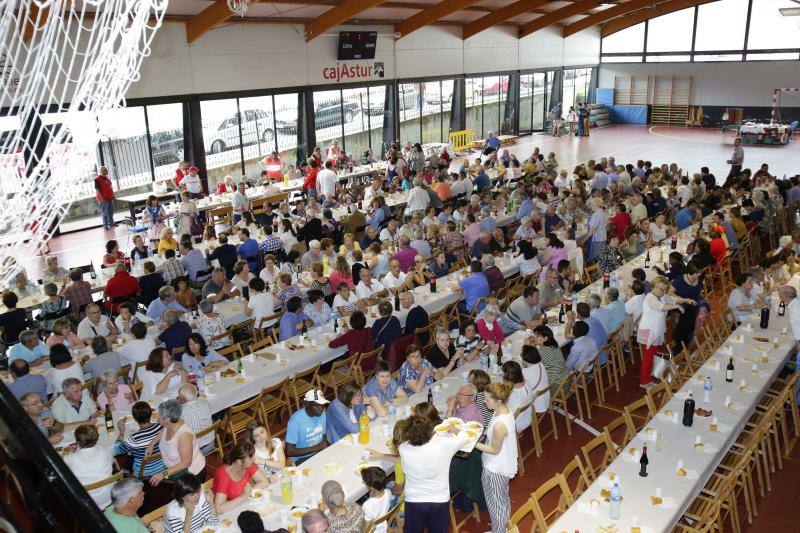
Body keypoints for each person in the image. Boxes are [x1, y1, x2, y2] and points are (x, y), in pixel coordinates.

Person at [398, 414, 468, 533]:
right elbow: (464, 437)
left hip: (414, 501)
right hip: (439, 501)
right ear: (430, 432)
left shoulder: (403, 448)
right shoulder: (444, 445)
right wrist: (455, 430)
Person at [475, 382, 518, 533]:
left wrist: (472, 443)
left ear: (498, 400)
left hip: (496, 468)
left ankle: (499, 531)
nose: (485, 402)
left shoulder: (500, 425)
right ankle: (503, 529)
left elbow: (494, 449)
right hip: (502, 465)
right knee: (502, 500)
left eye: (487, 400)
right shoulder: (503, 411)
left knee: (495, 504)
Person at [638, 276, 691, 388]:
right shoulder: (650, 298)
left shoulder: (661, 296)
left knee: (652, 355)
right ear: (653, 287)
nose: (664, 291)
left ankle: (649, 377)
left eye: (666, 289)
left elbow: (673, 299)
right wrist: (677, 306)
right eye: (661, 289)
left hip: (655, 331)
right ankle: (644, 381)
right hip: (649, 332)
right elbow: (662, 307)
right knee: (648, 358)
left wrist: (686, 300)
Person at [146, 399, 206, 486]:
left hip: (191, 476)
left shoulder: (184, 436)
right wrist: (151, 444)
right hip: (175, 472)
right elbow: (163, 432)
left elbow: (186, 463)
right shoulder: (171, 423)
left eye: (159, 415)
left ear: (167, 419)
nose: (157, 417)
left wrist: (163, 474)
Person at [63, 424, 114, 508]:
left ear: (77, 441)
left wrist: (70, 453)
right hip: (109, 495)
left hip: (87, 501)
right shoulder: (105, 451)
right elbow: (112, 462)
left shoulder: (69, 458)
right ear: (97, 438)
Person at [212, 440, 269, 513]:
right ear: (239, 461)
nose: (254, 458)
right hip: (228, 513)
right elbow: (219, 509)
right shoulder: (223, 474)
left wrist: (248, 492)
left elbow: (264, 481)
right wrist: (243, 496)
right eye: (251, 456)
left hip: (243, 506)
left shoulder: (247, 464)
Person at [113, 400, 165, 479]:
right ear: (151, 413)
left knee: (127, 457)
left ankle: (129, 476)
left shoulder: (134, 439)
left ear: (134, 418)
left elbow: (115, 451)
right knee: (130, 455)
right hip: (164, 465)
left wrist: (122, 432)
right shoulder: (162, 428)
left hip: (144, 472)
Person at [285, 389, 329, 463]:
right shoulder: (295, 421)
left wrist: (324, 443)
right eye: (317, 406)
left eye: (322, 405)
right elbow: (289, 451)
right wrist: (316, 448)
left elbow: (323, 436)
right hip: (302, 458)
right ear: (307, 404)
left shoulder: (322, 414)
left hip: (318, 452)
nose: (321, 409)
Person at [361, 467, 392, 533]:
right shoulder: (388, 492)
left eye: (364, 482)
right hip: (383, 525)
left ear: (371, 487)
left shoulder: (367, 505)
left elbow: (367, 529)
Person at [95, 166, 115, 231]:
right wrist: (102, 198)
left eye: (106, 170)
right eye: (105, 170)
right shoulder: (97, 179)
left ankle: (111, 223)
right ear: (101, 171)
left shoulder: (107, 178)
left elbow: (110, 186)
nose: (107, 171)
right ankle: (105, 225)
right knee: (105, 212)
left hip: (110, 197)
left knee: (111, 211)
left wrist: (113, 195)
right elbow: (97, 189)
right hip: (103, 199)